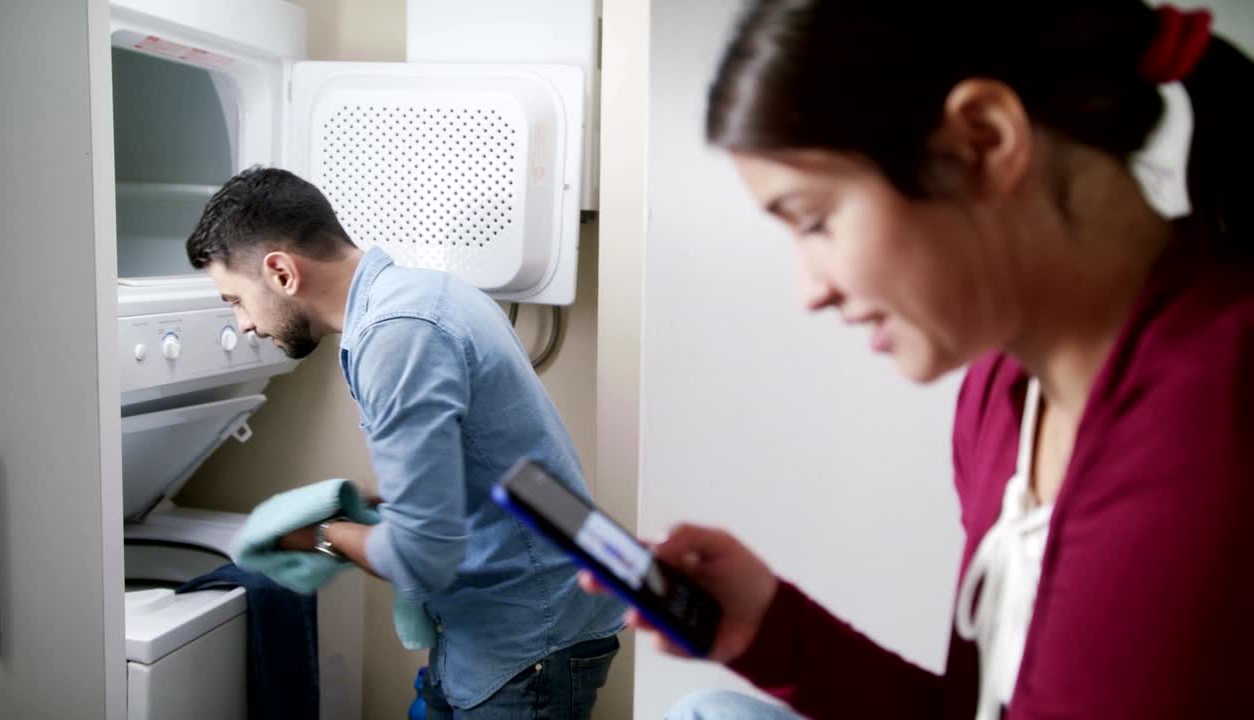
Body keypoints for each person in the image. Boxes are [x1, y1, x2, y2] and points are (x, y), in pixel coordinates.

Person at [581, 1, 1254, 718]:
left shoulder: (1211, 428)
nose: (811, 290)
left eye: (815, 221)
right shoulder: (1000, 395)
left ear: (984, 141)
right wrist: (770, 630)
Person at [186, 166, 624, 719]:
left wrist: (317, 536)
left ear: (280, 272)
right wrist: (384, 503)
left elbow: (422, 556)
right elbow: (494, 463)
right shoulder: (425, 295)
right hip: (527, 612)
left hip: (526, 636)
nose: (243, 323)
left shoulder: (399, 335)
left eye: (235, 299)